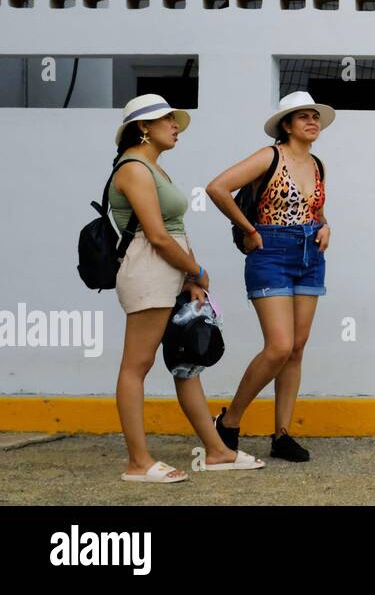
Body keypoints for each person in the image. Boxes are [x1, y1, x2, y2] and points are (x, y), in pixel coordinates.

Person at [108, 94, 265, 482]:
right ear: (143, 127)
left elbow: (174, 230)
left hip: (171, 270)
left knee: (186, 364)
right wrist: (198, 269)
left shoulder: (155, 169)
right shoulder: (133, 169)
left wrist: (191, 277)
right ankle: (138, 463)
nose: (176, 126)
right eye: (168, 120)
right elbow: (158, 236)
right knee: (136, 365)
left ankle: (217, 451)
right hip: (149, 268)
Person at [205, 92, 334, 462]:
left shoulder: (317, 164)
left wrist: (326, 227)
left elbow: (317, 209)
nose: (312, 122)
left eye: (315, 116)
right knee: (279, 345)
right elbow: (217, 187)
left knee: (296, 348)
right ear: (287, 125)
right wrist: (248, 228)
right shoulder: (270, 156)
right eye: (303, 117)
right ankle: (229, 421)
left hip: (311, 254)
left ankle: (282, 435)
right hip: (271, 254)